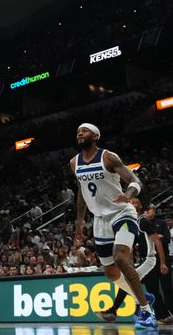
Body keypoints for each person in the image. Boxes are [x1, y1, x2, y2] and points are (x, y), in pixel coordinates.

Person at [70, 123, 156, 329]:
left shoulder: (108, 157)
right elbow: (82, 193)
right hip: (99, 220)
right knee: (111, 274)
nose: (80, 133)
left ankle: (146, 312)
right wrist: (80, 223)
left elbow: (134, 180)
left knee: (120, 257)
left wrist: (127, 195)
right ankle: (142, 296)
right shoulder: (74, 162)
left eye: (85, 130)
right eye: (78, 131)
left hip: (121, 213)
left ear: (96, 136)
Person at [95, 198, 168, 323]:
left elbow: (157, 240)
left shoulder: (142, 221)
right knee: (133, 284)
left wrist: (162, 262)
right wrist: (129, 264)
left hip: (150, 260)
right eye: (130, 202)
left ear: (140, 207)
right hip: (144, 261)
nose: (132, 204)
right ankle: (158, 315)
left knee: (132, 283)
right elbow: (130, 248)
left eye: (135, 202)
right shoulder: (132, 222)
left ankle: (115, 311)